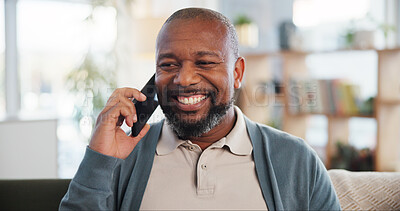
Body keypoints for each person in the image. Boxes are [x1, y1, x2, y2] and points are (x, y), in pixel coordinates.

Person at [60, 8, 341, 210]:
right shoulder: (123, 157)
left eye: (205, 63)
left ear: (237, 73)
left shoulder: (296, 160)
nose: (184, 79)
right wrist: (99, 160)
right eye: (168, 65)